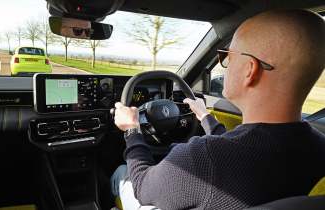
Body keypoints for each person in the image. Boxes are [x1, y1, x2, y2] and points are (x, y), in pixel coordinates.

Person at [111, 9, 325, 210]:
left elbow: (142, 186)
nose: (225, 65)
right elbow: (238, 149)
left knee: (122, 173)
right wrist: (205, 116)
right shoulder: (319, 147)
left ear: (250, 70)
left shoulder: (202, 159)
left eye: (227, 57)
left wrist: (132, 130)